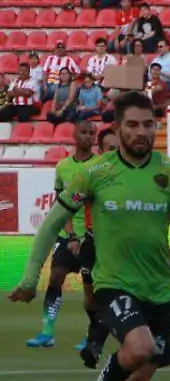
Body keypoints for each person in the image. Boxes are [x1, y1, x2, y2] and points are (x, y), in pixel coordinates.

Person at [7, 92, 170, 381]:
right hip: (113, 283)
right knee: (140, 347)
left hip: (159, 291)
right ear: (117, 129)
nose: (141, 132)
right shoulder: (96, 173)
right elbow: (52, 223)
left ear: (156, 126)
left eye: (148, 124)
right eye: (132, 125)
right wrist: (30, 276)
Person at [24, 120, 102, 352]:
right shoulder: (62, 167)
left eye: (92, 133)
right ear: (74, 136)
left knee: (94, 288)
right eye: (85, 132)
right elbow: (62, 205)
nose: (89, 136)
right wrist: (70, 237)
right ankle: (47, 333)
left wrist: (86, 235)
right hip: (68, 234)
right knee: (56, 276)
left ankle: (92, 335)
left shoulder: (101, 166)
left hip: (93, 234)